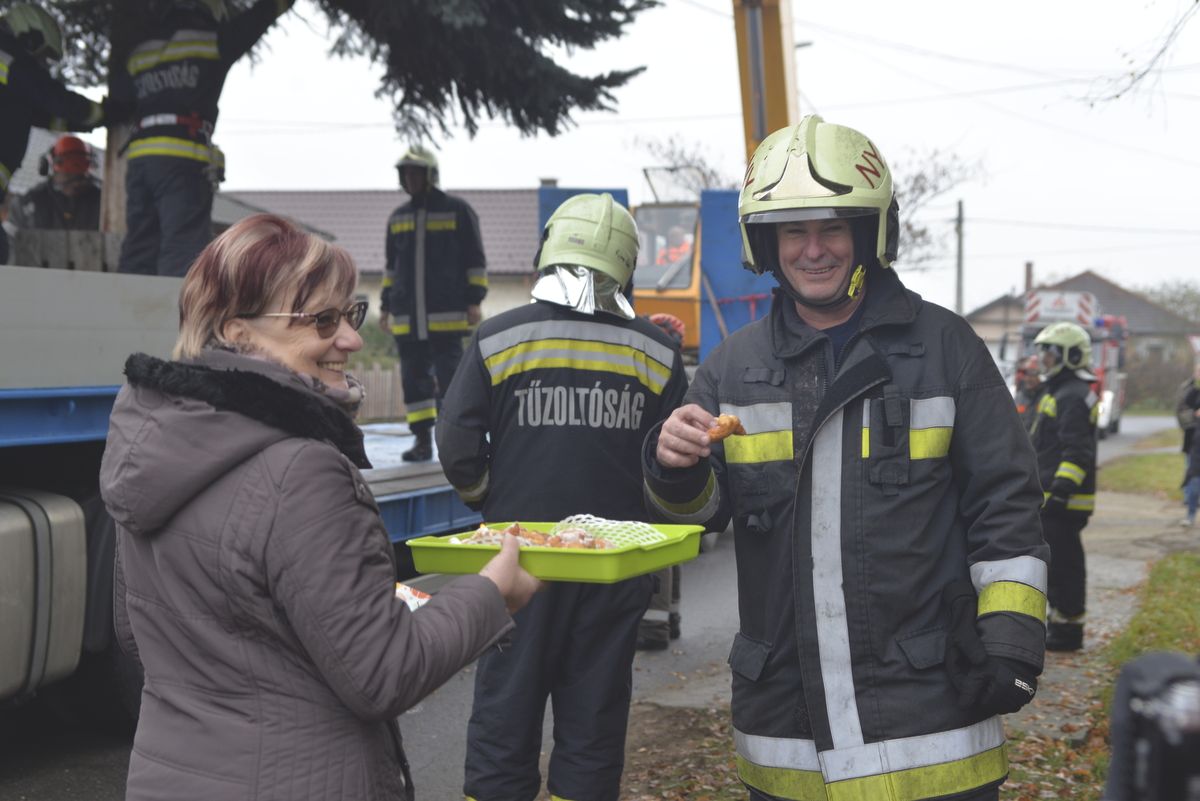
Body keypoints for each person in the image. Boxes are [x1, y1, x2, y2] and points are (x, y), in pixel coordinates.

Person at [642, 115, 1049, 801]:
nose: (813, 249)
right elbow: (699, 515)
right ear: (766, 243)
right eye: (793, 231)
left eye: (832, 226)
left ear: (869, 232)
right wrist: (673, 464)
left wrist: (1009, 639)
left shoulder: (947, 351)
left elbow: (1006, 505)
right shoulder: (730, 370)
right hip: (788, 735)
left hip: (932, 724)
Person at [98, 213, 540, 801]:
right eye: (322, 321)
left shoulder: (150, 450)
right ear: (239, 332)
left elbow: (138, 638)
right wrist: (491, 593)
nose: (353, 339)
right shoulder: (303, 471)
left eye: (349, 314)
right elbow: (383, 674)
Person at [436, 193, 688, 801]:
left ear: (550, 251)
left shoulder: (497, 339)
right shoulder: (657, 353)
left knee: (505, 714)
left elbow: (456, 441)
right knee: (594, 722)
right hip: (612, 569)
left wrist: (490, 502)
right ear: (625, 264)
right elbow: (669, 467)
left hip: (517, 567)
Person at [110, 0, 294, 277]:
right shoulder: (211, 43)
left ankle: (126, 314)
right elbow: (257, 19)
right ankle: (176, 317)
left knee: (139, 245)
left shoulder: (141, 53)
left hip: (140, 160)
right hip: (181, 158)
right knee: (183, 245)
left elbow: (120, 104)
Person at [380, 145, 487, 462]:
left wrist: (474, 300)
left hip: (447, 316)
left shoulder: (458, 210)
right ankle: (422, 441)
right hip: (407, 318)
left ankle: (454, 441)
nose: (410, 178)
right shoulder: (397, 218)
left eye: (416, 172)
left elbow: (475, 259)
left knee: (452, 380)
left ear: (430, 175)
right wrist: (386, 307)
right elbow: (391, 268)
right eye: (406, 173)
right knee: (413, 381)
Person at [0, 3, 104, 260]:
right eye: (41, 54)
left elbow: (45, 114)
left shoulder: (11, 90)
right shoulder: (10, 59)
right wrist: (106, 113)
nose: (40, 65)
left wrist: (89, 122)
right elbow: (52, 98)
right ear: (27, 35)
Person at [1028, 321, 1098, 652]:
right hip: (1052, 501)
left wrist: (1059, 493)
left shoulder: (1071, 395)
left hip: (1063, 503)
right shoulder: (1058, 391)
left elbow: (1076, 453)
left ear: (1070, 356)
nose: (1044, 360)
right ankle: (1059, 625)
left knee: (1066, 568)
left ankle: (1069, 630)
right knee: (1055, 567)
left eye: (1051, 354)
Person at [11, 135, 102, 230]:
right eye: (69, 177)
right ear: (54, 168)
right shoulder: (30, 202)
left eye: (80, 178)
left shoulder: (101, 202)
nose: (76, 184)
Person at [1174, 364, 1200, 523]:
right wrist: (1195, 418)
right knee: (1193, 477)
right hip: (1193, 441)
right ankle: (1190, 511)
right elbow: (1181, 412)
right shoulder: (1188, 390)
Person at [1013, 353, 1044, 431]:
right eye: (1026, 374)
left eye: (1033, 374)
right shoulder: (1019, 397)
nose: (1028, 378)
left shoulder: (1046, 396)